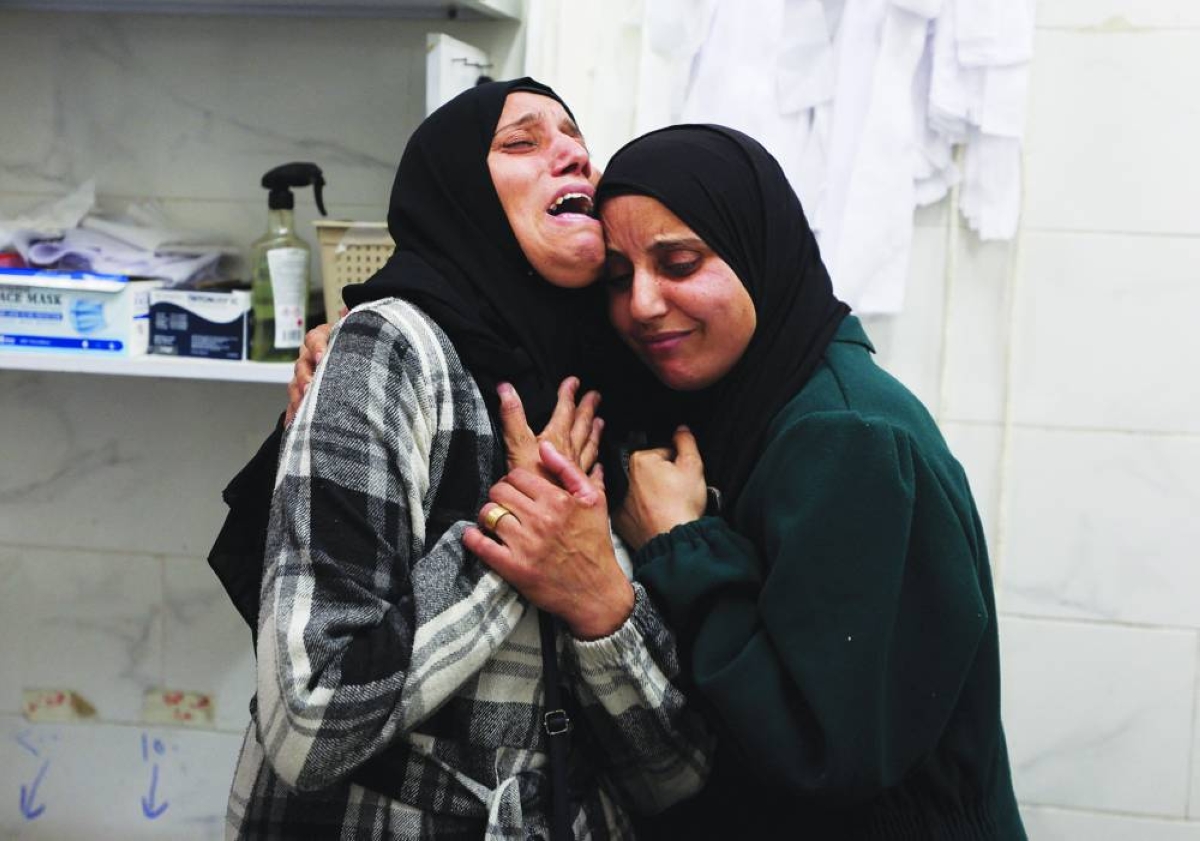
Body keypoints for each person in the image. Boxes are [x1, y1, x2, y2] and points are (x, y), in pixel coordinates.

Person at [466, 124, 1028, 840]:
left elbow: (823, 754)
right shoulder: (722, 403)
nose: (641, 303)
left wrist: (683, 543)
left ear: (758, 253)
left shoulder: (848, 439)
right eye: (618, 276)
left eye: (679, 262)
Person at [213, 79, 710, 840]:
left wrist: (600, 600)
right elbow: (306, 725)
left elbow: (674, 773)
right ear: (458, 195)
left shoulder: (625, 387)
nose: (573, 154)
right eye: (523, 141)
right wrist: (514, 531)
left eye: (576, 137)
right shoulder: (392, 349)